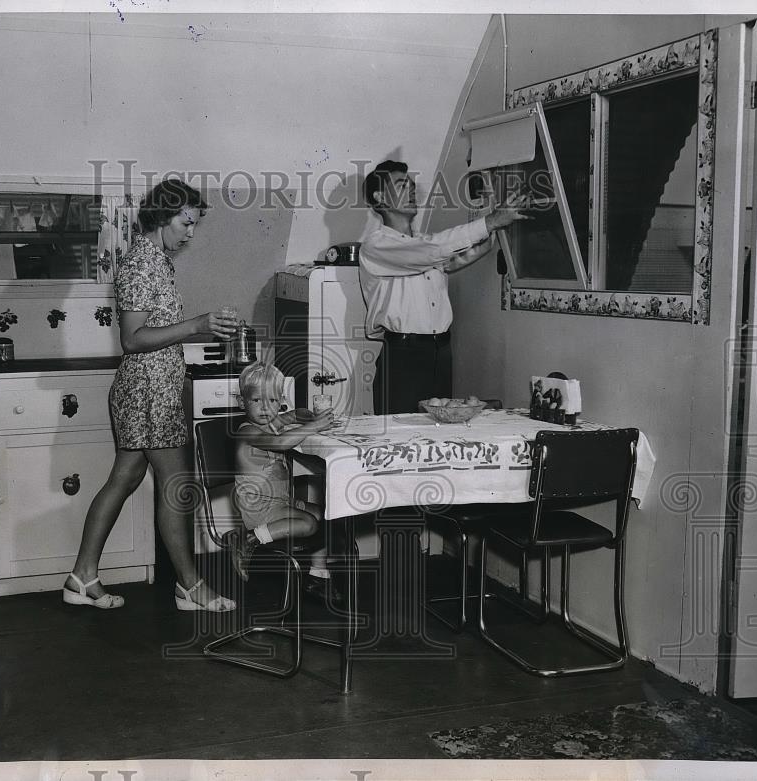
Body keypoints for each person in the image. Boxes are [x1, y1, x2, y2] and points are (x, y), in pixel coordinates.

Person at [63, 179, 238, 612]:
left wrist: (196, 332)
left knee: (123, 480)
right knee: (177, 485)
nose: (190, 232)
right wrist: (197, 325)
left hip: (148, 388)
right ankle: (191, 586)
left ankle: (82, 578)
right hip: (148, 392)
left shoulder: (155, 260)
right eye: (185, 222)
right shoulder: (144, 263)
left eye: (194, 224)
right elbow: (133, 338)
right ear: (162, 216)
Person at [359, 160, 530, 414]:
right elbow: (430, 252)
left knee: (438, 435)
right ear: (380, 197)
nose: (412, 190)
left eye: (411, 185)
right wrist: (490, 222)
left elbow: (461, 254)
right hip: (404, 357)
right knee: (401, 441)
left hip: (441, 352)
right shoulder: (376, 246)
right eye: (401, 184)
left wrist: (494, 220)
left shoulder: (426, 243)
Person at [225, 361, 340, 603]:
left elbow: (293, 414)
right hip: (259, 508)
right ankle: (249, 539)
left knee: (327, 515)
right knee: (309, 524)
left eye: (273, 401)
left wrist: (307, 415)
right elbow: (279, 444)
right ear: (241, 403)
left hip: (279, 501)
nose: (266, 408)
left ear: (280, 401)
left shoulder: (270, 423)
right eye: (257, 401)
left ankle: (317, 575)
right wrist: (314, 426)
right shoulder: (248, 431)